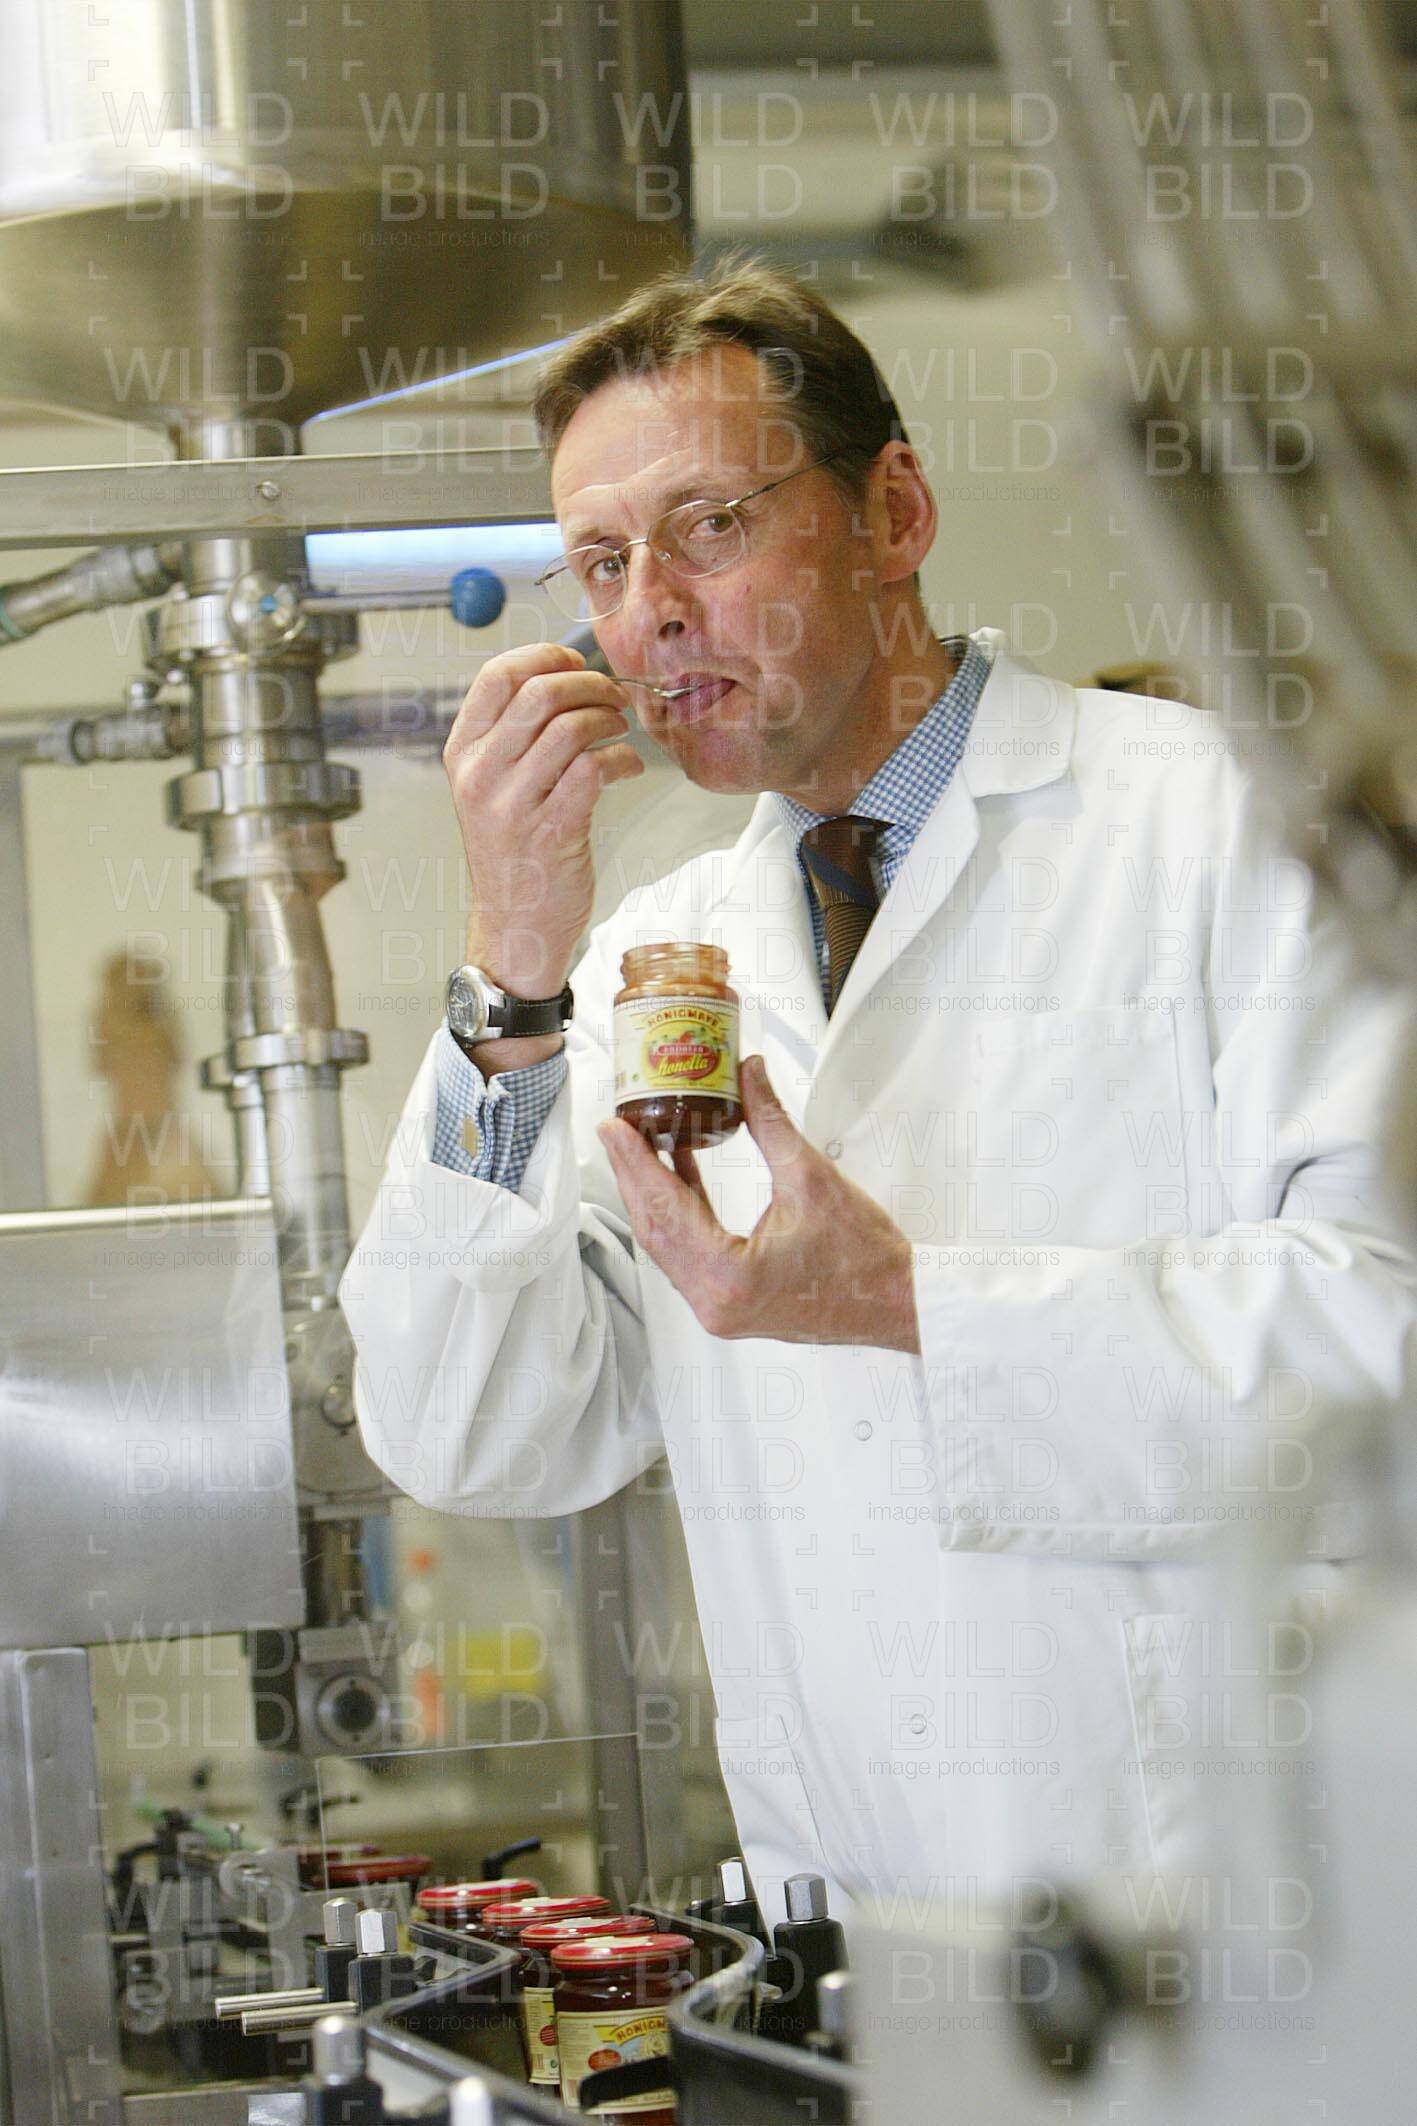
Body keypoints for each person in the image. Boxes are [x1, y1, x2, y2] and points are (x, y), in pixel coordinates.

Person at [341, 256, 1417, 1924]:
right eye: (604, 563)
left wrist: (918, 1305)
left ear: (892, 512)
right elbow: (475, 1427)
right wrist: (513, 971)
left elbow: (1384, 1358)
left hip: (1238, 1930)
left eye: (707, 526)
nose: (650, 613)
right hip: (853, 1947)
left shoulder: (1227, 827)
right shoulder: (649, 962)